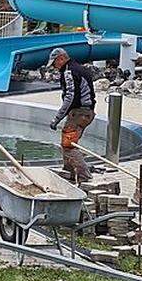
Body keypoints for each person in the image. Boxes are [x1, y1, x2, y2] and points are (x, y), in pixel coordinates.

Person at [47, 47, 96, 182]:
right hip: (88, 111)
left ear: (61, 59)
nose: (55, 67)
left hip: (79, 112)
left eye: (55, 63)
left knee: (69, 145)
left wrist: (57, 118)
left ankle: (84, 176)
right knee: (68, 143)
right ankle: (68, 173)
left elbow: (70, 97)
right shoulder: (80, 68)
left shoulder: (69, 72)